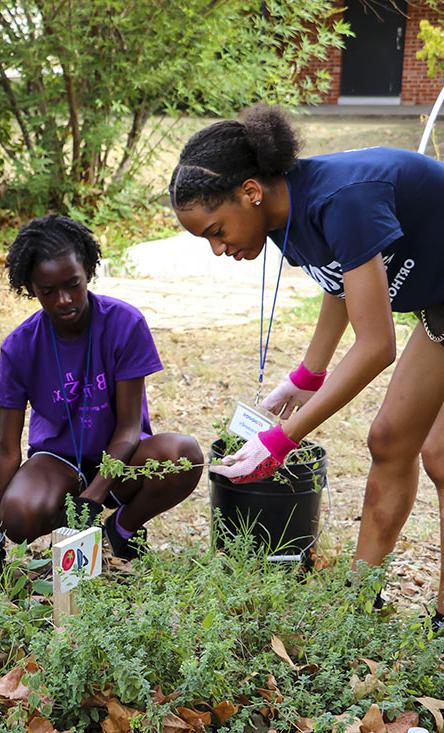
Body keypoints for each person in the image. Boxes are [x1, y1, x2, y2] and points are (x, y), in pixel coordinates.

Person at [170, 105, 444, 631]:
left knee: (440, 454)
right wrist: (305, 376)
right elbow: (342, 284)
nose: (218, 249)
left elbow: (376, 346)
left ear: (251, 191)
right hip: (441, 306)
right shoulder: (284, 217)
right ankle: (357, 608)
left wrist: (280, 442)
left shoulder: (343, 199)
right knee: (390, 440)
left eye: (216, 230)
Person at [0, 215, 202, 573]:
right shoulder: (18, 347)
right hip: (58, 460)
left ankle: (122, 529)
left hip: (123, 456)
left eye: (73, 284)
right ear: (30, 288)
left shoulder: (124, 323)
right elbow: (7, 449)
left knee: (183, 455)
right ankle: (71, 535)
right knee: (18, 515)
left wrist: (94, 497)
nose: (64, 300)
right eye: (48, 291)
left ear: (88, 272)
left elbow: (129, 428)